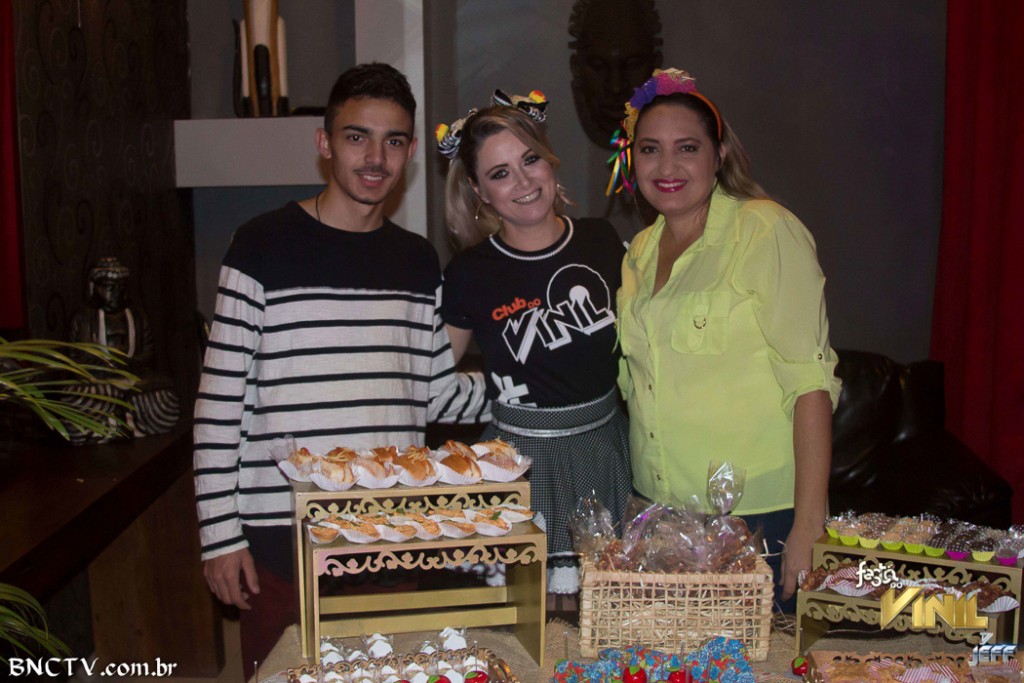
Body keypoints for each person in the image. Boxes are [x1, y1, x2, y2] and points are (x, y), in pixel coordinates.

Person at [193, 63, 487, 679]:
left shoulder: (417, 262)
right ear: (325, 143)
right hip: (281, 538)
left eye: (393, 141)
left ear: (410, 151)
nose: (376, 158)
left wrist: (529, 381)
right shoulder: (260, 246)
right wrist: (220, 536)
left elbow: (435, 395)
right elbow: (219, 405)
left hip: (389, 534)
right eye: (357, 137)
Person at [614, 68, 842, 612]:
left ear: (718, 155)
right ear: (632, 160)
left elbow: (811, 384)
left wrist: (809, 526)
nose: (667, 167)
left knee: (763, 655)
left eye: (687, 148)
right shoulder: (638, 252)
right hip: (660, 512)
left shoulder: (764, 230)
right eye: (650, 149)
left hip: (758, 517)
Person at [437, 90, 633, 597]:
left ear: (550, 160)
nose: (523, 182)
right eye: (500, 173)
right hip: (518, 461)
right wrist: (500, 393)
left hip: (606, 450)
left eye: (530, 160)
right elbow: (433, 383)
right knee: (523, 615)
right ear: (479, 191)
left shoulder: (602, 241)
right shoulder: (468, 273)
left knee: (607, 610)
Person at [69, 256, 179, 441]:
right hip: (98, 381)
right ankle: (111, 425)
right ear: (94, 287)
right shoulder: (83, 318)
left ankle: (129, 423)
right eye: (110, 287)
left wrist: (130, 364)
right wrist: (102, 368)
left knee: (163, 391)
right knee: (75, 396)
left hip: (132, 378)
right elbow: (73, 359)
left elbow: (148, 351)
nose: (117, 293)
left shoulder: (137, 316)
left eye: (122, 287)